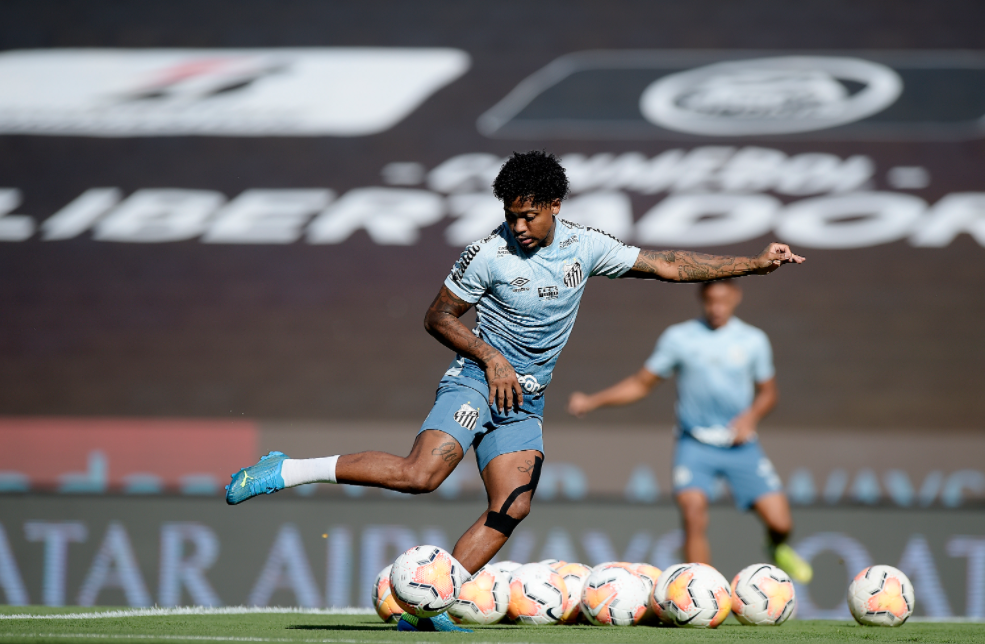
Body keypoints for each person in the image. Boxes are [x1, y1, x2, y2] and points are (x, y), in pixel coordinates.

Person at [224, 151, 805, 630]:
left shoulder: (585, 246)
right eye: (510, 214)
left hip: (526, 399)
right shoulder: (488, 253)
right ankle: (288, 469)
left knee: (514, 504)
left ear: (555, 206)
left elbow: (671, 265)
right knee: (421, 476)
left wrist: (753, 265)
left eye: (528, 215)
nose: (518, 226)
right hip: (477, 379)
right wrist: (491, 357)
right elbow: (438, 316)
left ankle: (427, 608)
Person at [567, 278, 813, 583]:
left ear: (736, 297)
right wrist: (592, 401)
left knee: (780, 521)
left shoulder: (753, 340)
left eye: (723, 300)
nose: (716, 308)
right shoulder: (680, 338)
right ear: (702, 299)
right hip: (694, 444)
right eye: (710, 301)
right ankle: (701, 590)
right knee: (693, 512)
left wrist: (750, 417)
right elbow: (641, 383)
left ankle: (776, 545)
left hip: (741, 445)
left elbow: (769, 393)